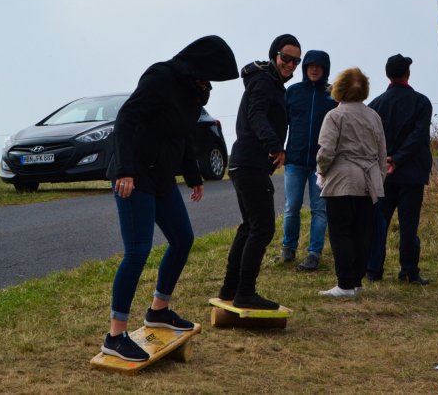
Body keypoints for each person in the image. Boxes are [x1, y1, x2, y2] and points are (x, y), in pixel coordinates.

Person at [102, 35, 239, 361]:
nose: (211, 83)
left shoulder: (195, 91)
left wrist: (194, 176)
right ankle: (115, 336)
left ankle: (158, 310)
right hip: (133, 176)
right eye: (210, 75)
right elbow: (126, 120)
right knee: (137, 251)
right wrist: (124, 169)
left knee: (182, 239)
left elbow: (184, 136)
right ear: (198, 65)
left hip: (161, 178)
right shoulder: (160, 76)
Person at [217, 34, 301, 309]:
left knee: (249, 226)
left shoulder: (273, 83)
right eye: (285, 58)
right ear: (274, 55)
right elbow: (256, 115)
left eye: (295, 61)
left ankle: (229, 289)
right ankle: (245, 292)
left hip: (246, 162)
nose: (290, 64)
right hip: (250, 162)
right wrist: (275, 146)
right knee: (263, 228)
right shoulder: (265, 82)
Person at [316, 67, 387, 298]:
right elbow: (381, 152)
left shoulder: (335, 116)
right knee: (362, 233)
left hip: (342, 181)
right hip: (369, 182)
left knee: (341, 232)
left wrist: (321, 172)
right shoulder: (373, 116)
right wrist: (379, 179)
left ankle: (345, 284)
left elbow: (326, 151)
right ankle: (356, 282)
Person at [366, 54, 433, 285]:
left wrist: (386, 161)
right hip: (412, 173)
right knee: (409, 224)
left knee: (378, 224)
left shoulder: (374, 105)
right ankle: (408, 270)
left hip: (382, 174)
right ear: (408, 74)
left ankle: (373, 270)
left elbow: (370, 140)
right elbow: (418, 136)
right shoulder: (421, 102)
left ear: (387, 74)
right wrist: (398, 159)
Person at [279, 50, 337, 271]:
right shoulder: (292, 92)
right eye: (310, 65)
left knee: (319, 209)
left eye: (318, 66)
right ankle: (288, 249)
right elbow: (281, 122)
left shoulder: (333, 95)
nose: (314, 69)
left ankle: (314, 253)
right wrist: (279, 149)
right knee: (291, 207)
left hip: (322, 164)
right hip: (294, 159)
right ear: (304, 68)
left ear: (325, 69)